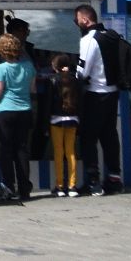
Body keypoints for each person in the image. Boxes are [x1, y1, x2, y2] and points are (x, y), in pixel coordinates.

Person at [0, 32, 35, 201]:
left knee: (5, 151)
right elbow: (32, 89)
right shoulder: (28, 66)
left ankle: (9, 186)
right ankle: (25, 188)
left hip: (6, 111)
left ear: (1, 50)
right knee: (22, 150)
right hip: (25, 110)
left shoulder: (1, 68)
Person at [74, 3, 124, 195]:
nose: (77, 23)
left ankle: (93, 181)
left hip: (96, 93)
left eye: (77, 20)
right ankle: (114, 178)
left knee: (88, 138)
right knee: (110, 136)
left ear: (85, 20)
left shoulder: (89, 39)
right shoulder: (111, 35)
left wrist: (70, 72)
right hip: (113, 93)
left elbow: (83, 72)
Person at [50, 54, 83, 197]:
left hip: (56, 119)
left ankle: (59, 185)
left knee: (58, 152)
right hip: (73, 118)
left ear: (55, 67)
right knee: (71, 152)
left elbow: (48, 103)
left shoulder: (52, 80)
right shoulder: (76, 80)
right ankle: (72, 186)